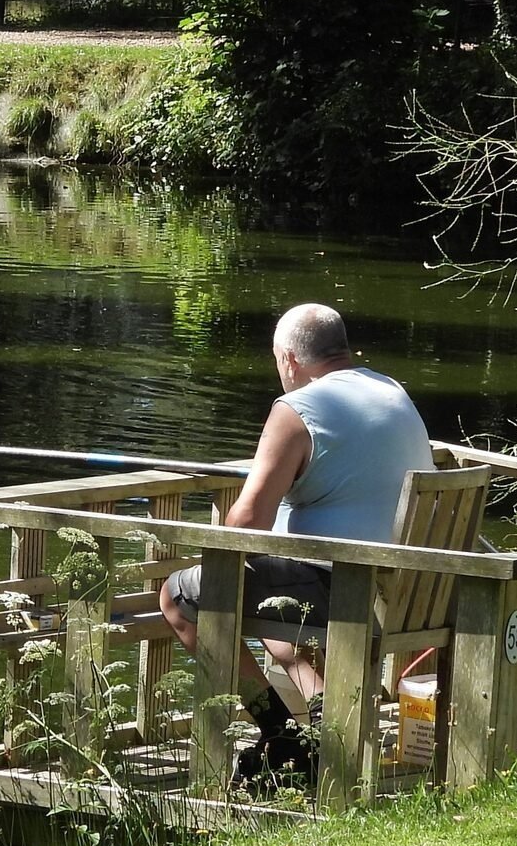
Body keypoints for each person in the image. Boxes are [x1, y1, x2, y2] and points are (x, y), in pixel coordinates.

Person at [159, 303, 431, 768]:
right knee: (269, 598)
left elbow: (247, 526)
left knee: (182, 597)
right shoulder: (390, 389)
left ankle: (279, 733)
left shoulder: (297, 409)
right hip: (414, 590)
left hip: (348, 591)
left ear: (288, 360)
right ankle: (325, 721)